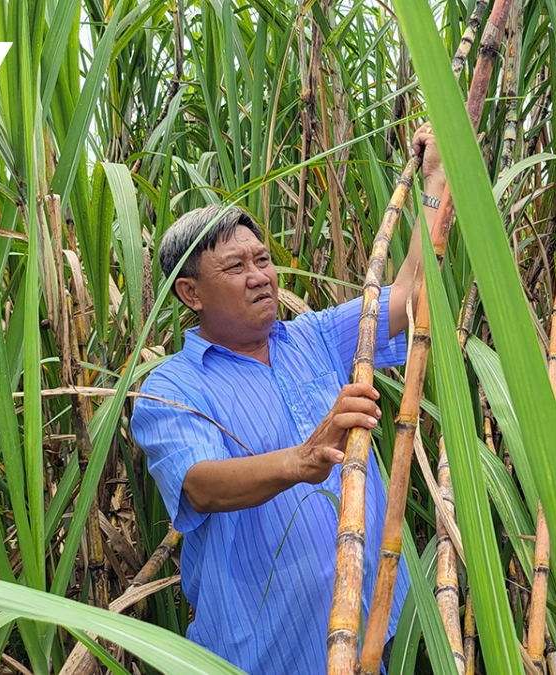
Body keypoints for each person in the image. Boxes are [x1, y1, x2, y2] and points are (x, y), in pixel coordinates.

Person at [130, 124, 446, 675]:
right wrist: (303, 459)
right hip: (267, 655)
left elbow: (409, 296)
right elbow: (199, 486)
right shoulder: (172, 388)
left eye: (263, 260)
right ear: (190, 293)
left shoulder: (314, 337)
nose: (260, 277)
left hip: (379, 628)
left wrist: (437, 179)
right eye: (236, 266)